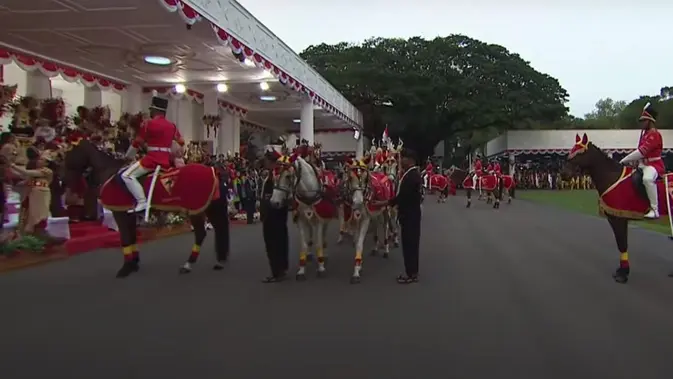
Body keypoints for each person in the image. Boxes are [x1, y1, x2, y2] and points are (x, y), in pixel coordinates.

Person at [121, 97, 184, 212]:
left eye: (151, 109)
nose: (150, 112)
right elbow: (181, 142)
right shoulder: (172, 126)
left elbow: (137, 142)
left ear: (155, 110)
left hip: (152, 159)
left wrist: (128, 157)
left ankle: (142, 202)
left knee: (126, 175)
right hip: (166, 160)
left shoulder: (148, 124)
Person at [619, 102, 663, 219]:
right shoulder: (646, 134)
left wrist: (625, 159)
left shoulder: (654, 135)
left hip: (653, 165)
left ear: (650, 121)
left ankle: (655, 210)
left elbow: (642, 152)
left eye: (644, 121)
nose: (642, 123)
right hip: (643, 164)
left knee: (647, 179)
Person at [389, 148, 422, 284]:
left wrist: (386, 203)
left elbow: (402, 197)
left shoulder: (412, 176)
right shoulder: (410, 174)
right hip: (411, 214)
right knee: (411, 244)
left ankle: (410, 274)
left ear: (410, 160)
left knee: (409, 245)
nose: (401, 161)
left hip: (410, 215)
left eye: (403, 158)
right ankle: (412, 272)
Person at [260, 151, 289, 282]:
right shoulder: (270, 176)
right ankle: (280, 268)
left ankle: (277, 271)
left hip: (274, 214)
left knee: (274, 243)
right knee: (278, 241)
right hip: (270, 213)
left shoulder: (277, 178)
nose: (265, 163)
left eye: (267, 160)